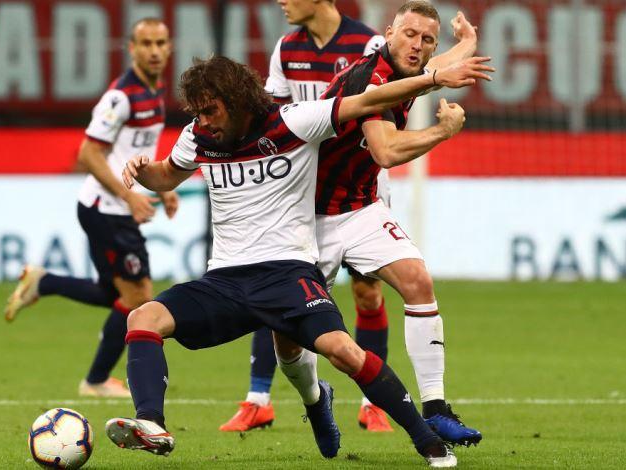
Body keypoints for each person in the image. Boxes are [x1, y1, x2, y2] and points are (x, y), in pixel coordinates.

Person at [103, 56, 491, 466]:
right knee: (143, 317)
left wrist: (433, 78)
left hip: (288, 273)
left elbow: (369, 100)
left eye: (211, 110)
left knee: (343, 351)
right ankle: (151, 424)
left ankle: (427, 440)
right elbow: (166, 174)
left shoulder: (293, 121)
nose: (204, 121)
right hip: (225, 281)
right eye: (198, 112)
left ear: (236, 101)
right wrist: (143, 172)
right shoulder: (198, 136)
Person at [314, 1, 485, 446]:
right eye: (410, 34)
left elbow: (438, 67)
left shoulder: (407, 67)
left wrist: (467, 41)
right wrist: (443, 131)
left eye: (427, 39)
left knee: (417, 281)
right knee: (294, 339)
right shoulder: (370, 79)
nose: (418, 45)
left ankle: (436, 410)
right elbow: (386, 152)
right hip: (307, 217)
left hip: (360, 208)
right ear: (388, 33)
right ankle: (315, 398)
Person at [220, 0, 393, 434]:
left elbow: (382, 111)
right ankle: (258, 400)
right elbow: (271, 117)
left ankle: (374, 404)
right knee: (275, 285)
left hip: (357, 188)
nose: (282, 1)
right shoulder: (285, 48)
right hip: (300, 189)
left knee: (367, 293)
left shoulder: (368, 44)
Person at [3, 18, 178, 398]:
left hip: (113, 208)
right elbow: (88, 153)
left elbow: (135, 150)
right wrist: (130, 196)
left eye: (160, 43)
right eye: (146, 43)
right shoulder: (121, 97)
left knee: (111, 292)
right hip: (107, 210)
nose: (153, 51)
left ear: (169, 47)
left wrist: (160, 185)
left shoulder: (155, 91)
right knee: (138, 298)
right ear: (131, 48)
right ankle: (96, 380)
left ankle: (43, 283)